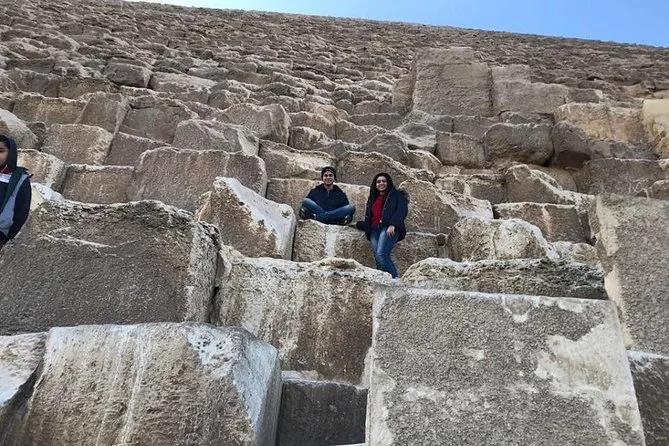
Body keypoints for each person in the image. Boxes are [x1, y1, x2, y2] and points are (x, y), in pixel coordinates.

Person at [356, 172, 408, 278]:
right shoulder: (373, 198)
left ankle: (395, 280)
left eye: (384, 181)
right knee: (378, 258)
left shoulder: (397, 195)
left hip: (388, 227)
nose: (381, 183)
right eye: (378, 182)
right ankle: (384, 281)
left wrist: (393, 224)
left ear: (388, 182)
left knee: (381, 254)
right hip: (374, 230)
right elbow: (371, 217)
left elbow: (402, 210)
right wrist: (360, 225)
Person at [0, 134, 31, 248]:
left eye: (1, 151)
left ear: (11, 153)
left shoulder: (19, 178)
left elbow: (21, 212)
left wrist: (9, 237)